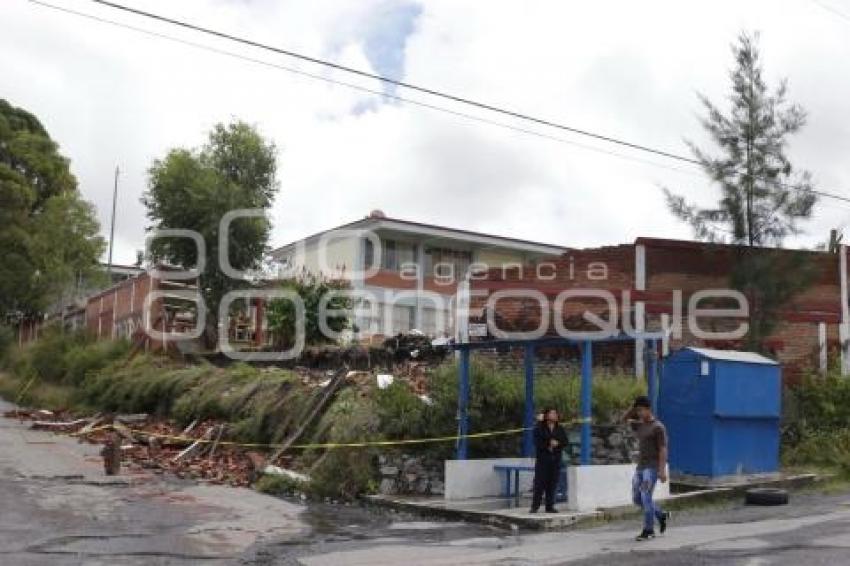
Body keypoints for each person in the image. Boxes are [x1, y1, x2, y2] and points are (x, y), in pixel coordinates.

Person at [623, 395, 670, 541]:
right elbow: (622, 420)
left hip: (652, 468)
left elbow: (663, 449)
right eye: (638, 411)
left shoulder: (658, 427)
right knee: (637, 499)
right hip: (640, 467)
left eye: (642, 410)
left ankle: (648, 530)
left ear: (649, 409)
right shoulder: (639, 424)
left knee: (645, 496)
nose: (639, 413)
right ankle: (661, 515)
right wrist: (633, 407)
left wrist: (661, 470)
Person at [530, 407, 568, 514]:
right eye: (551, 413)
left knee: (552, 483)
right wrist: (548, 445)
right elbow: (537, 441)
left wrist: (558, 444)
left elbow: (565, 441)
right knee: (539, 483)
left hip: (555, 459)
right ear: (546, 415)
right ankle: (535, 506)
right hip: (543, 459)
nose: (554, 415)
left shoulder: (559, 428)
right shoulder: (540, 428)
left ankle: (550, 506)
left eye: (555, 413)